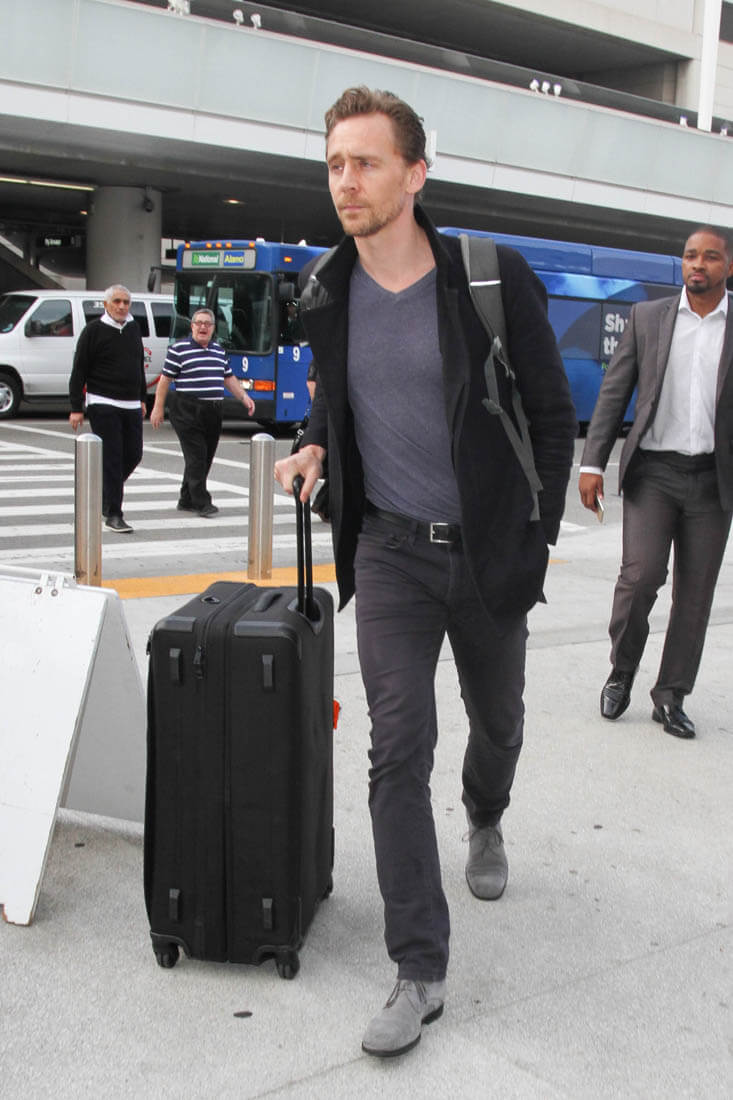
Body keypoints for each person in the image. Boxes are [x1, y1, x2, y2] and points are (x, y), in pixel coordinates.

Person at [274, 85, 577, 1058]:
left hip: (487, 552)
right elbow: (338, 396)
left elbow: (551, 414)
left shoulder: (487, 277)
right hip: (390, 551)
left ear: (414, 173)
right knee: (396, 748)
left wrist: (535, 539)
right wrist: (314, 442)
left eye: (365, 162)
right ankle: (419, 967)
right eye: (334, 164)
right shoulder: (326, 287)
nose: (345, 181)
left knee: (499, 723)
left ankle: (485, 815)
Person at [579, 226, 733, 740]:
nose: (698, 264)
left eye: (710, 257)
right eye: (690, 256)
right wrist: (592, 463)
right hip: (655, 474)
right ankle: (622, 669)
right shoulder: (648, 318)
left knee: (695, 595)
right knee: (640, 577)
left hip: (714, 481)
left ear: (728, 266)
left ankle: (670, 696)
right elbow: (614, 391)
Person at [150, 308, 255, 516]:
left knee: (204, 456)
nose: (203, 327)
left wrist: (244, 397)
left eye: (208, 324)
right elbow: (165, 380)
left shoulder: (218, 351)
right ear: (192, 326)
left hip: (212, 410)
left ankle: (186, 499)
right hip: (187, 409)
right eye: (199, 323)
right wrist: (158, 407)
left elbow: (228, 378)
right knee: (196, 456)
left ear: (213, 328)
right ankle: (201, 502)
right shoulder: (178, 350)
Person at [69, 284, 147, 533]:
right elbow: (79, 369)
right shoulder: (93, 330)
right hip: (103, 402)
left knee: (133, 454)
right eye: (117, 301)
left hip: (131, 403)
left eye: (126, 302)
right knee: (112, 457)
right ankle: (114, 513)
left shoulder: (134, 328)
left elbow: (138, 364)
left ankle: (106, 494)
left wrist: (142, 398)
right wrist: (76, 407)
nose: (122, 306)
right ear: (106, 304)